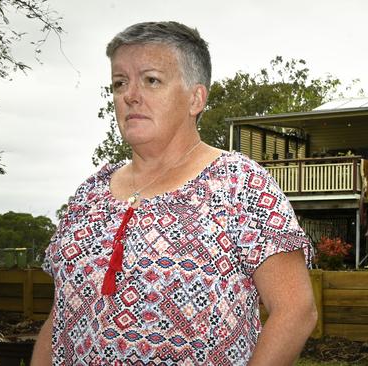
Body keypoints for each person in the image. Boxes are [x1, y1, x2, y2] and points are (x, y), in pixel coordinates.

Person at [31, 21, 317, 365]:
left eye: (151, 80)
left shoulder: (239, 185)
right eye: (120, 82)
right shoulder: (88, 194)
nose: (129, 95)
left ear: (195, 97)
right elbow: (59, 315)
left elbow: (295, 311)